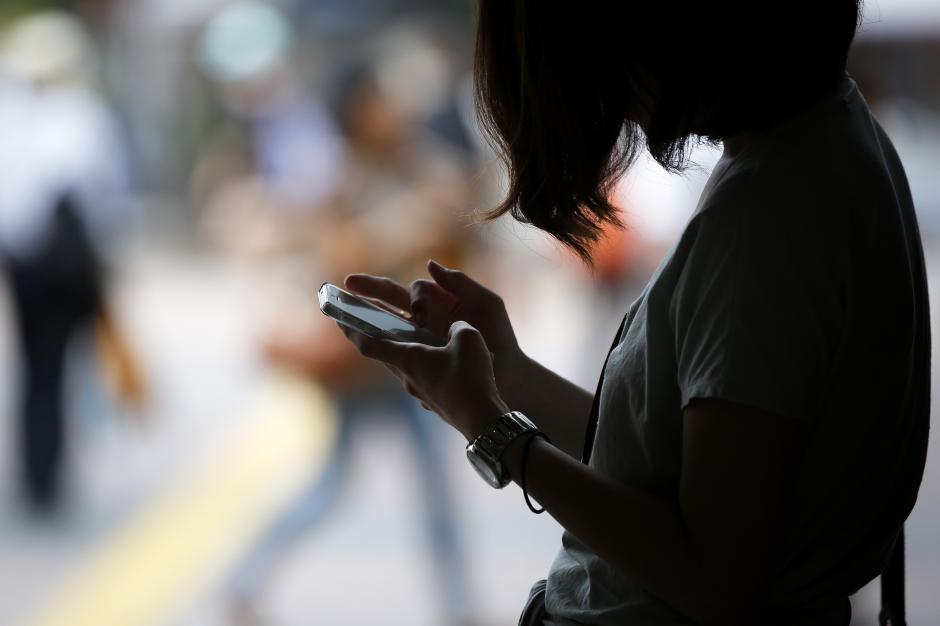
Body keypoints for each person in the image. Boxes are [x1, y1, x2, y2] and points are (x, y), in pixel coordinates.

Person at [335, 2, 930, 625]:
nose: (616, 101)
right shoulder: (825, 134)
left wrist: (494, 431)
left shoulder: (763, 220)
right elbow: (668, 467)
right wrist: (508, 374)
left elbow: (714, 578)